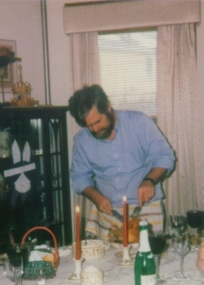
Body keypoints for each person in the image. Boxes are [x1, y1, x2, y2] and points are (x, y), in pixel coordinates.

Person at [68, 84, 175, 240]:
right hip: (107, 213)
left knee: (148, 254)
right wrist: (96, 197)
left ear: (108, 107)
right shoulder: (82, 140)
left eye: (98, 122)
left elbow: (164, 156)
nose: (95, 129)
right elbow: (79, 177)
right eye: (89, 125)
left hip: (146, 208)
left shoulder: (139, 123)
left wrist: (149, 180)